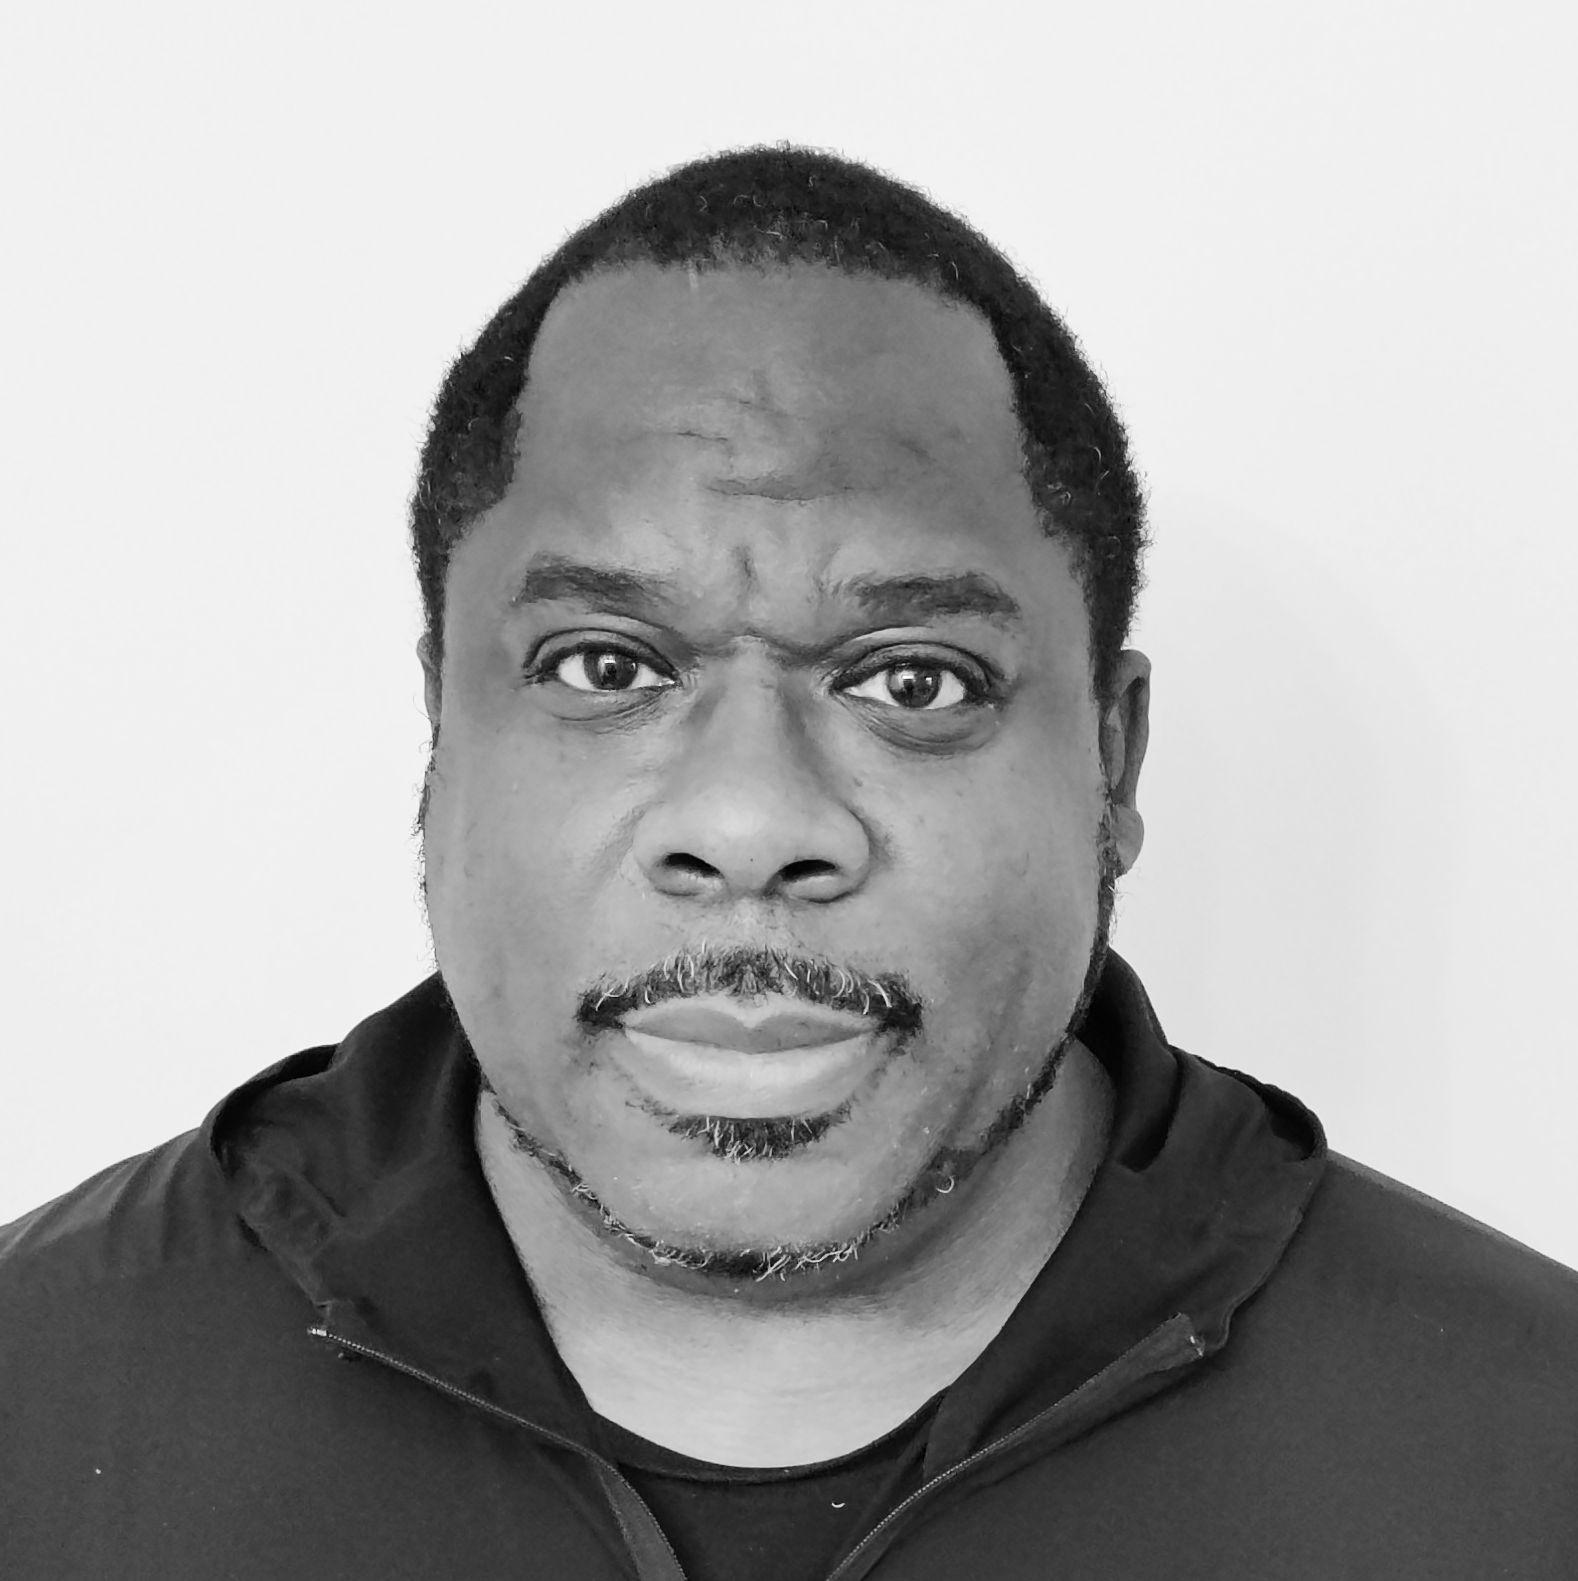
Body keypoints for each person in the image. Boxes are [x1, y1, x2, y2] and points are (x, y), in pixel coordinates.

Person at [2, 144, 1574, 1581]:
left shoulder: (1531, 1457)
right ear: (441, 734)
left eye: (914, 681)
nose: (750, 823)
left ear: (1112, 761)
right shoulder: (36, 1392)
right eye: (603, 666)